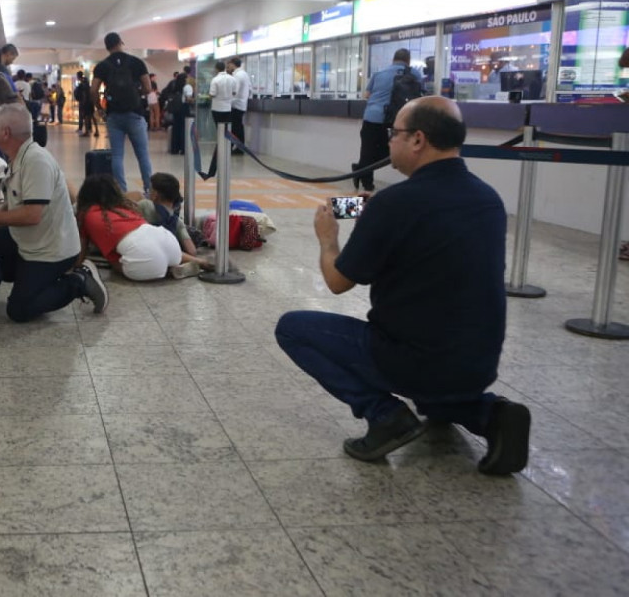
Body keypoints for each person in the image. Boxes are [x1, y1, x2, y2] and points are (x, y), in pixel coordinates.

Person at [274, 97, 531, 475]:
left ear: (418, 139)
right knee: (434, 388)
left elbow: (337, 282)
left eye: (393, 133)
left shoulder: (395, 205)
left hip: (414, 361)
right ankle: (489, 413)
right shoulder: (488, 200)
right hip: (478, 363)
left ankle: (385, 415)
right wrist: (377, 214)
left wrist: (328, 239)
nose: (388, 140)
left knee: (293, 328)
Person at [0, 103, 108, 322]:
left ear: (6, 133)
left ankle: (78, 281)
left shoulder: (36, 161)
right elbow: (16, 199)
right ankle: (25, 276)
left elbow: (32, 215)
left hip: (51, 251)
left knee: (19, 310)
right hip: (27, 240)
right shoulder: (18, 157)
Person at [75, 174, 183, 282]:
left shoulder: (86, 215)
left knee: (114, 261)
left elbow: (81, 252)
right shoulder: (125, 208)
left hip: (143, 256)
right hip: (169, 241)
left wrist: (75, 265)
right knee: (148, 251)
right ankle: (169, 266)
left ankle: (161, 269)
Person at [92, 32, 156, 192]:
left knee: (117, 156)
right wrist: (139, 95)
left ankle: (121, 192)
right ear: (121, 42)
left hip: (114, 115)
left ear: (107, 47)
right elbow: (148, 88)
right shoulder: (136, 62)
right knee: (143, 155)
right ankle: (149, 190)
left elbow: (93, 90)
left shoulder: (102, 66)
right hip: (135, 113)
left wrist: (99, 108)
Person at [354, 48, 421, 192]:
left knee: (367, 151)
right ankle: (360, 171)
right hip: (396, 119)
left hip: (371, 116)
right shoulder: (414, 74)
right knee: (389, 152)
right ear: (408, 60)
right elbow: (421, 95)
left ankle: (366, 182)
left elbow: (367, 95)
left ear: (393, 59)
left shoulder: (379, 73)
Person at [135, 172, 211, 277]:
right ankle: (192, 263)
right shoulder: (177, 221)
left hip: (145, 250)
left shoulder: (145, 205)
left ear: (155, 194)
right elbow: (192, 250)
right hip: (168, 250)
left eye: (150, 190)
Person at [201, 61, 238, 180]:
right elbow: (234, 92)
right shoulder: (232, 79)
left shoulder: (215, 80)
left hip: (217, 109)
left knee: (221, 137)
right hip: (228, 108)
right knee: (225, 135)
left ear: (216, 69)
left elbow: (212, 94)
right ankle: (218, 164)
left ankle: (212, 170)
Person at [229, 56, 251, 153]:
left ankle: (238, 148)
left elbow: (234, 91)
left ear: (233, 64)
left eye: (229, 65)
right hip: (242, 104)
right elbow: (250, 88)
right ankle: (240, 147)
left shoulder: (237, 75)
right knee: (239, 127)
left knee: (235, 128)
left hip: (236, 104)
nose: (229, 67)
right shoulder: (244, 74)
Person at [168, 71, 191, 155]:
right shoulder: (187, 87)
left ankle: (175, 148)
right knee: (184, 128)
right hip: (184, 108)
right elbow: (188, 99)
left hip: (176, 109)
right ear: (185, 79)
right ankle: (183, 148)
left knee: (176, 128)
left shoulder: (175, 86)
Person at [74, 71, 97, 137]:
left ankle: (87, 131)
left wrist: (83, 102)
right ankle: (95, 130)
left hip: (86, 102)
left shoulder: (83, 84)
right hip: (90, 101)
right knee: (91, 116)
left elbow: (84, 93)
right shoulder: (86, 83)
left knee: (86, 116)